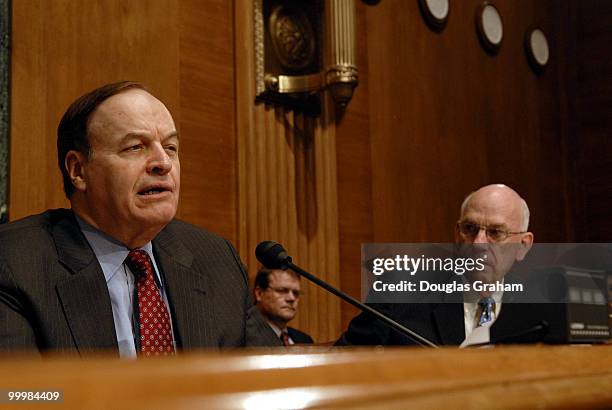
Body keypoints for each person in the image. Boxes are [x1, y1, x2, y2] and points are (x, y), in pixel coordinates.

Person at [0, 81, 279, 357]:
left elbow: (274, 386)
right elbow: (20, 397)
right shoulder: (16, 262)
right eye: (135, 147)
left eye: (170, 147)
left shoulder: (216, 259)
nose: (163, 163)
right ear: (78, 170)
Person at [337, 184, 538, 346]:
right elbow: (341, 366)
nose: (478, 243)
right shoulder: (400, 294)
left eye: (495, 232)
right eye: (469, 228)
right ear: (457, 235)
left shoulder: (539, 307)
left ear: (523, 245)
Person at [254, 268, 314, 345]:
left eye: (295, 293)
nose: (292, 298)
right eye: (282, 290)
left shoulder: (305, 340)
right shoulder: (244, 340)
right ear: (259, 293)